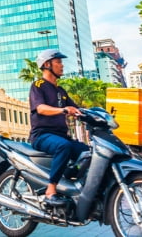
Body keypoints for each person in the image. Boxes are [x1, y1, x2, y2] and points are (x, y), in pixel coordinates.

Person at [28, 49, 88, 207]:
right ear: (47, 64)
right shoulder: (38, 85)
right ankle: (51, 190)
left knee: (87, 152)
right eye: (58, 62)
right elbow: (40, 108)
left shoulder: (61, 91)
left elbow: (77, 110)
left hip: (61, 136)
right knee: (64, 146)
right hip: (42, 135)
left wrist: (96, 115)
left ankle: (70, 183)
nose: (62, 65)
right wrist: (63, 110)